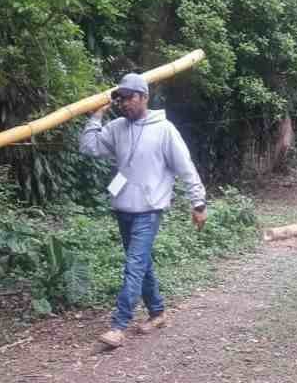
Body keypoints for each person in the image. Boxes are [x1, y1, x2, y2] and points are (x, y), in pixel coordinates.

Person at [79, 73, 207, 348]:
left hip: (149, 210)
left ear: (144, 97)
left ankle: (118, 326)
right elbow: (89, 147)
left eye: (130, 98)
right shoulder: (116, 128)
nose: (124, 103)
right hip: (123, 207)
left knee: (134, 265)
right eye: (121, 98)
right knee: (142, 263)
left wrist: (198, 203)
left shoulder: (164, 130)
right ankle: (158, 312)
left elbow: (186, 168)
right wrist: (95, 117)